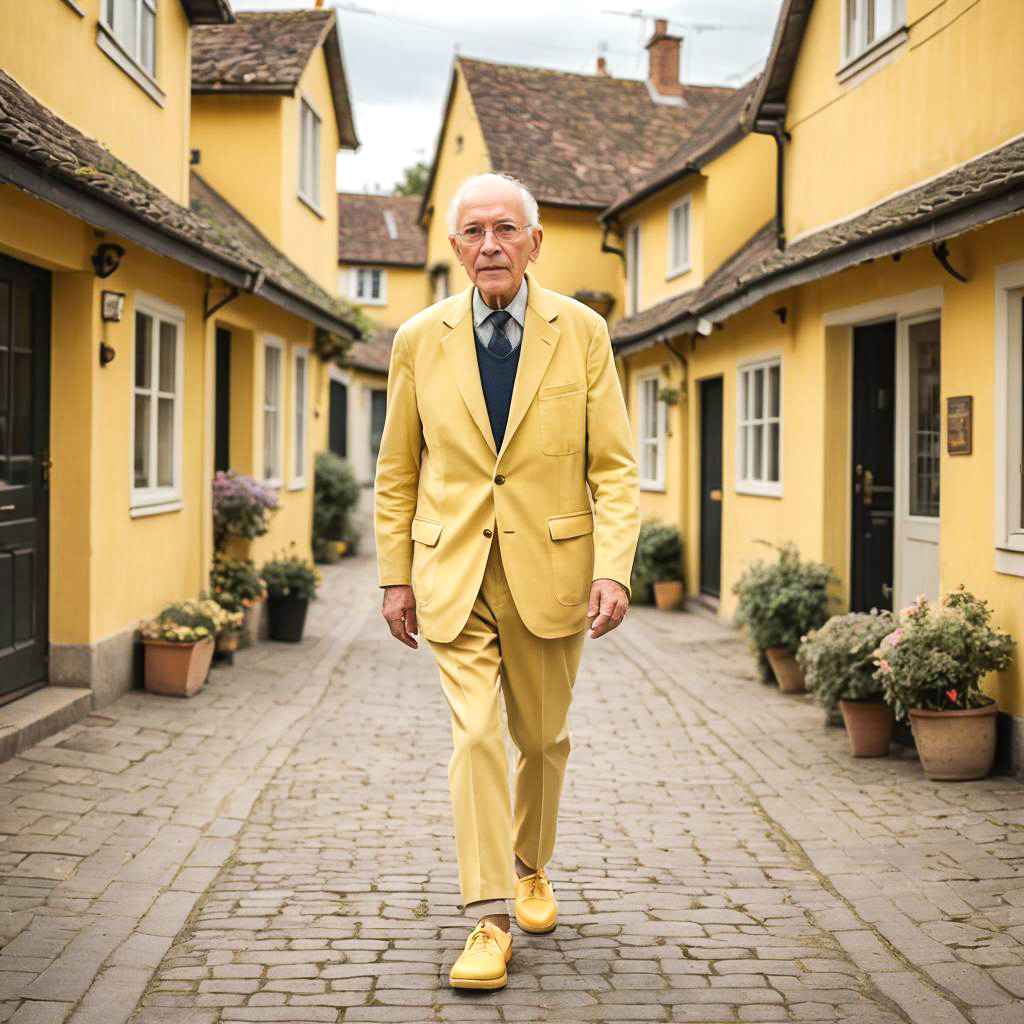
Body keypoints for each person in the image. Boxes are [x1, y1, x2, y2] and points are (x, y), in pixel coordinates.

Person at [374, 171, 640, 991]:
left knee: (542, 740)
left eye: (505, 230)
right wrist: (394, 577)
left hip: (551, 571)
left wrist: (614, 569)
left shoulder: (583, 331)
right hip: (451, 570)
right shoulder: (417, 339)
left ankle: (530, 862)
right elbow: (397, 470)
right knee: (476, 740)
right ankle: (487, 916)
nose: (490, 245)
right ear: (454, 247)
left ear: (534, 242)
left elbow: (616, 469)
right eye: (474, 232)